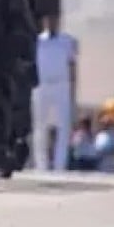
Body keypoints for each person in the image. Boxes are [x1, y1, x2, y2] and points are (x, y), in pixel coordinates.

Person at [31, 19, 77, 171]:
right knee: (39, 126)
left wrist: (72, 89)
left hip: (61, 84)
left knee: (63, 125)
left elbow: (72, 66)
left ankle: (60, 165)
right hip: (41, 84)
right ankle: (41, 165)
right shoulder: (38, 41)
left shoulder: (67, 41)